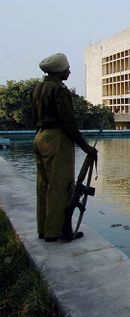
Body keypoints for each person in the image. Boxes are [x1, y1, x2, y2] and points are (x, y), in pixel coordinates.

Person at [32, 53, 98, 242]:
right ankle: (56, 233)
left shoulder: (38, 88)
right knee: (60, 187)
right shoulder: (59, 90)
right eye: (67, 68)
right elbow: (68, 123)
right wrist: (86, 147)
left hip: (40, 136)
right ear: (59, 71)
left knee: (43, 185)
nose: (69, 71)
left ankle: (44, 229)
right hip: (56, 139)